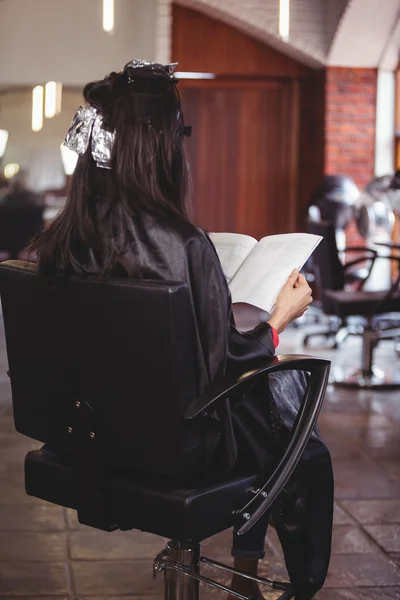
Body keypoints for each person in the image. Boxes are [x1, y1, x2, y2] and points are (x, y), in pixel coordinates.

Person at [27, 60, 333, 600]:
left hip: (87, 435)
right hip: (178, 449)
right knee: (297, 439)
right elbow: (228, 365)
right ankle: (296, 586)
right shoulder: (185, 245)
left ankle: (244, 560)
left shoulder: (60, 242)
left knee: (262, 411)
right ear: (161, 146)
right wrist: (278, 321)